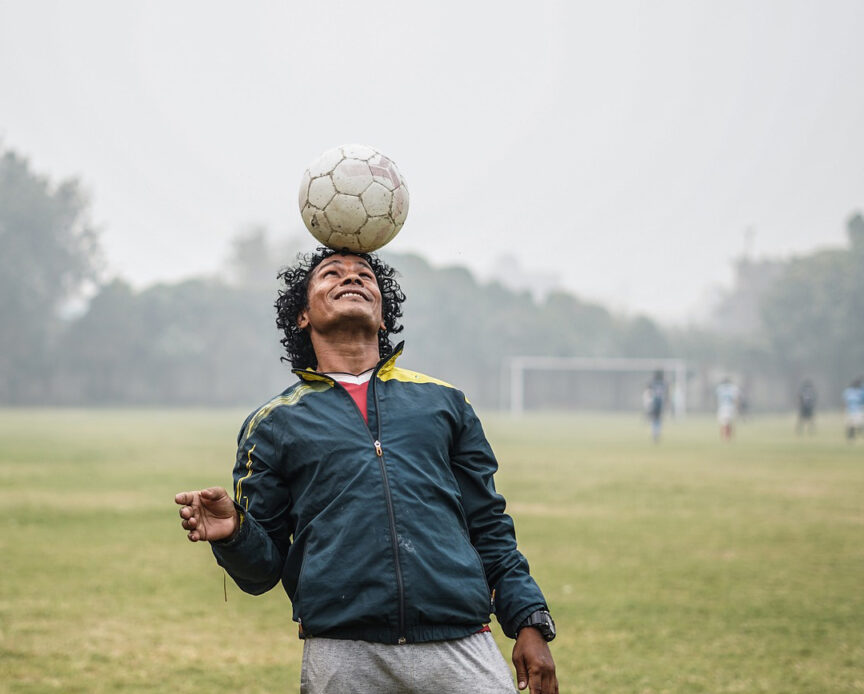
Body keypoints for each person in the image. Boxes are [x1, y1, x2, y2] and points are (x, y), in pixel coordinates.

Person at [175, 249, 559, 694]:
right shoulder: (275, 423)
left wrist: (529, 620)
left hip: (461, 643)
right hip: (342, 653)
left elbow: (489, 528)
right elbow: (262, 573)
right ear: (302, 315)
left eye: (364, 275)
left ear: (383, 315)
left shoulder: (444, 403)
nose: (351, 279)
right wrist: (235, 532)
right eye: (332, 274)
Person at [644, 369, 669, 443]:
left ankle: (654, 433)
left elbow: (648, 392)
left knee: (654, 419)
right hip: (660, 403)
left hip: (654, 402)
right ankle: (657, 433)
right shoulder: (664, 383)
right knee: (658, 419)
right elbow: (666, 394)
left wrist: (648, 403)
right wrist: (667, 402)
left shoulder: (652, 383)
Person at [716, 377, 741, 441]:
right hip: (730, 407)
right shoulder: (733, 388)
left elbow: (717, 399)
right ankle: (727, 437)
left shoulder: (720, 388)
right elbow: (736, 399)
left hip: (723, 407)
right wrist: (737, 408)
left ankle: (725, 437)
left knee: (724, 424)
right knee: (729, 423)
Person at [843, 377, 864, 441]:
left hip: (858, 410)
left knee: (857, 424)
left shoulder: (860, 391)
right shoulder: (848, 391)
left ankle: (854, 435)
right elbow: (845, 401)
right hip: (850, 411)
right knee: (850, 424)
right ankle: (851, 437)